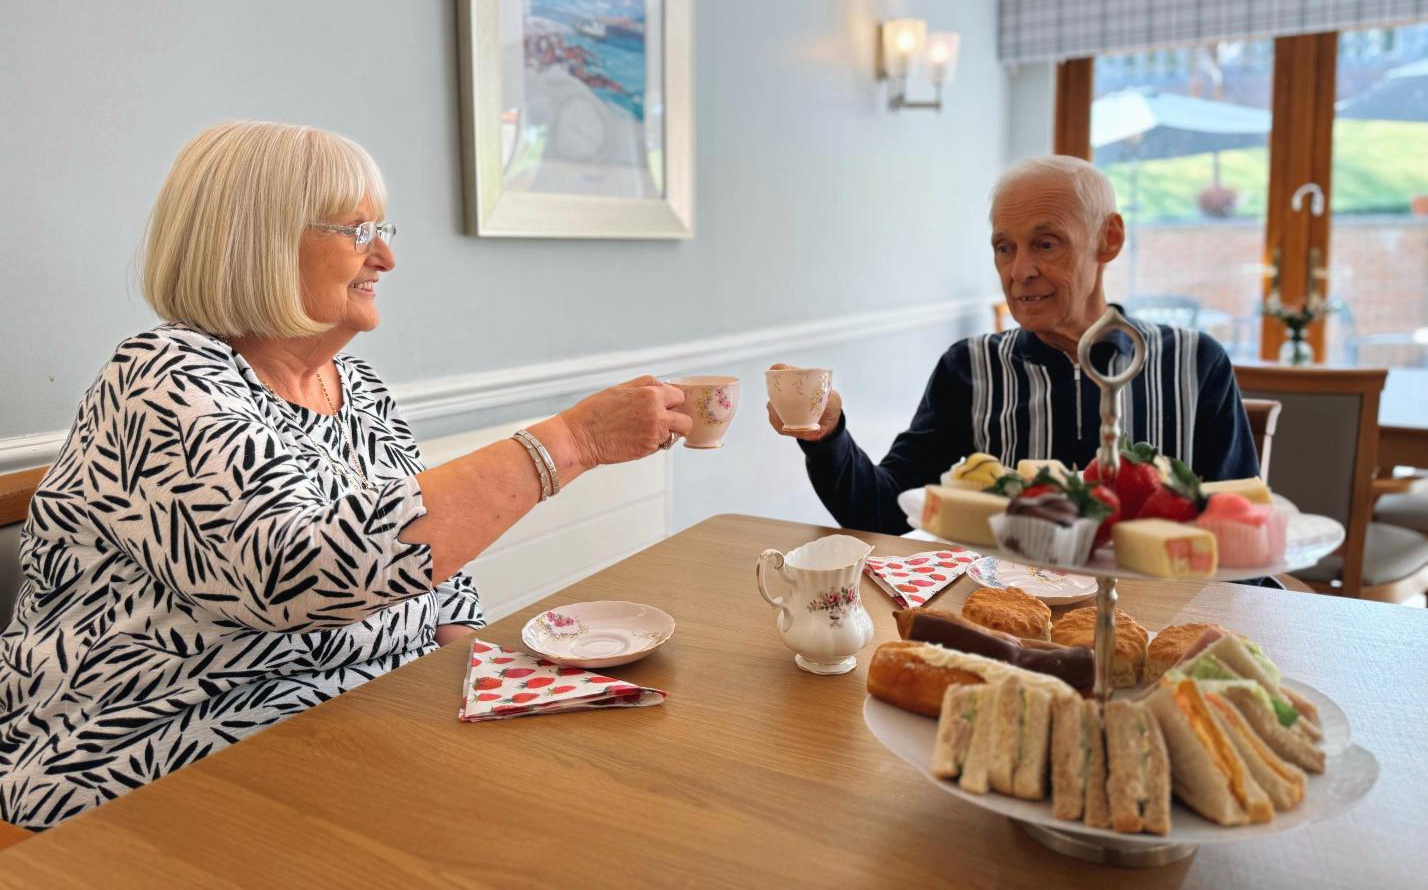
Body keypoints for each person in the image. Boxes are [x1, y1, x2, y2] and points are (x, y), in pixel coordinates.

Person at [0, 121, 693, 830]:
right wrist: (571, 441)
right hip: (158, 756)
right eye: (358, 231)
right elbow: (292, 575)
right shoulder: (163, 379)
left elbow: (436, 577)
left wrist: (499, 687)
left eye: (382, 229)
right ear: (258, 241)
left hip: (363, 723)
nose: (386, 256)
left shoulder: (356, 387)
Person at [768, 155, 1259, 535]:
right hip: (1012, 622)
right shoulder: (971, 368)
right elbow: (883, 512)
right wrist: (828, 437)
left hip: (1156, 625)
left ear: (1107, 239)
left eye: (1046, 244)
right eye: (1004, 247)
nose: (1019, 271)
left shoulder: (1194, 363)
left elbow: (1237, 532)